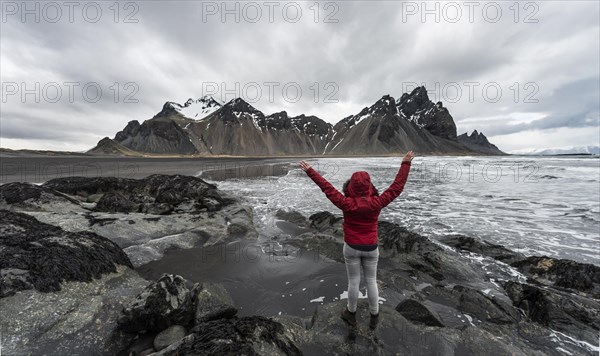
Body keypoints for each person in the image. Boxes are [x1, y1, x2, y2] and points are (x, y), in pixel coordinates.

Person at [299, 151, 414, 329]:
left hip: (351, 247)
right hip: (371, 248)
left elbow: (327, 188)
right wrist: (405, 164)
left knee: (353, 281)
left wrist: (310, 171)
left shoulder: (346, 203)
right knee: (371, 281)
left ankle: (350, 314)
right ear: (369, 186)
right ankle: (374, 315)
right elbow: (396, 187)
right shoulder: (377, 202)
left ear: (351, 186)